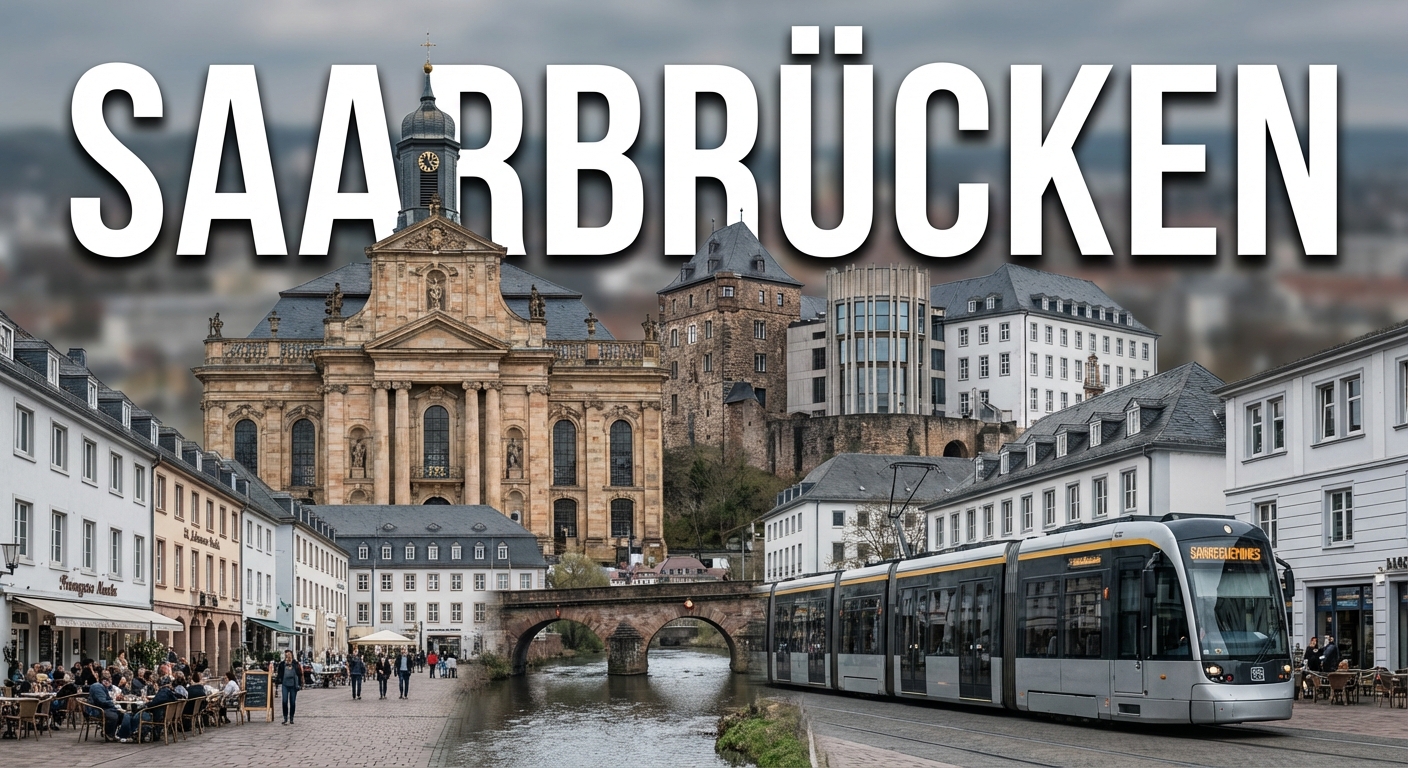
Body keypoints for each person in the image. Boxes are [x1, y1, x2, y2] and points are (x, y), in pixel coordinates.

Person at [87, 672, 122, 741]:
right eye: (106, 680)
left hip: (102, 707)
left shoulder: (103, 687)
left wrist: (113, 703)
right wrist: (113, 703)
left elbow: (106, 699)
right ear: (102, 680)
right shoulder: (97, 687)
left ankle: (112, 733)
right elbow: (102, 701)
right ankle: (109, 734)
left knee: (121, 714)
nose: (108, 682)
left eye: (109, 680)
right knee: (114, 715)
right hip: (97, 710)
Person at [275, 650, 303, 725]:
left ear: (292, 655)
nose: (288, 657)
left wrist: (300, 684)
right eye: (286, 655)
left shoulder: (295, 664)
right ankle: (285, 717)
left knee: (292, 702)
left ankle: (291, 718)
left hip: (293, 685)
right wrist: (278, 681)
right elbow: (279, 674)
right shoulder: (282, 664)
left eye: (289, 655)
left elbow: (299, 674)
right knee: (284, 701)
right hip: (285, 685)